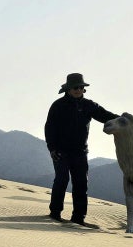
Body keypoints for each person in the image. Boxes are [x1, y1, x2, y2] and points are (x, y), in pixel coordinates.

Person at [44, 73, 117, 226]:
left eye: (81, 87)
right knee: (62, 180)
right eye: (75, 87)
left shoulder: (89, 105)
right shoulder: (58, 105)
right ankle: (55, 213)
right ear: (68, 89)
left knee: (81, 183)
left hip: (80, 152)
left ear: (84, 89)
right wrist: (52, 148)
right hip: (60, 151)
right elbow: (49, 128)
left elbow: (105, 116)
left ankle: (78, 218)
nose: (78, 90)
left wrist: (123, 119)